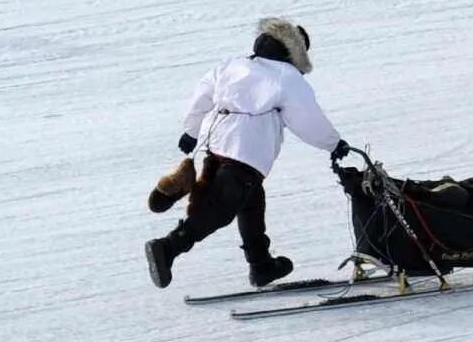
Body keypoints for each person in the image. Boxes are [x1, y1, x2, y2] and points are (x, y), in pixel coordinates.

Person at [145, 18, 352, 289]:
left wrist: (192, 131)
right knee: (221, 207)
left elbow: (203, 95)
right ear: (295, 52)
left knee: (251, 200)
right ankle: (169, 247)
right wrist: (333, 143)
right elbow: (306, 117)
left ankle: (261, 265)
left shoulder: (233, 65)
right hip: (245, 151)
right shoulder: (286, 76)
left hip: (215, 143)